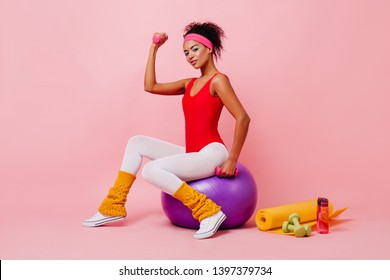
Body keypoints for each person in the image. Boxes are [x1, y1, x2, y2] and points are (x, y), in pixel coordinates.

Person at [82, 22, 250, 239]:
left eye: (194, 49)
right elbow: (150, 86)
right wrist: (154, 48)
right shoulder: (189, 84)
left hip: (212, 153)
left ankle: (208, 211)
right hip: (193, 152)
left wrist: (232, 159)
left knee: (151, 170)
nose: (189, 55)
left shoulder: (218, 81)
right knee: (137, 142)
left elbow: (243, 118)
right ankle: (113, 205)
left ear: (209, 48)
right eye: (186, 52)